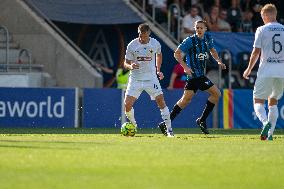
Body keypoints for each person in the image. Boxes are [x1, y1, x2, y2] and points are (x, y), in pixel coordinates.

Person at [159, 20, 226, 135]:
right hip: (196, 75)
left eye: (201, 28)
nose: (199, 30)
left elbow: (212, 50)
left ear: (205, 29)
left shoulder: (208, 38)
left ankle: (165, 123)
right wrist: (185, 66)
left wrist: (218, 61)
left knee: (185, 100)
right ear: (195, 29)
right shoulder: (190, 40)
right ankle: (202, 120)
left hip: (195, 77)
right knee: (216, 94)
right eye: (197, 28)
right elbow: (177, 53)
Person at [123, 23, 174, 137]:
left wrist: (158, 70)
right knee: (127, 105)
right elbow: (125, 62)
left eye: (145, 36)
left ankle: (169, 130)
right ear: (139, 33)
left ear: (149, 34)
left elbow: (159, 55)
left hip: (151, 79)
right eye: (141, 35)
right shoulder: (132, 45)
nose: (142, 38)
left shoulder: (155, 43)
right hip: (135, 79)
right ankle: (134, 125)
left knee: (161, 101)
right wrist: (130, 66)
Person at [243, 4, 284, 141]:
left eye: (262, 17)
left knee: (258, 101)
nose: (262, 19)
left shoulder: (261, 29)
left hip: (266, 69)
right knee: (273, 102)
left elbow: (256, 52)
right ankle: (270, 134)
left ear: (266, 15)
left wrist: (248, 69)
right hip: (282, 71)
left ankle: (265, 122)